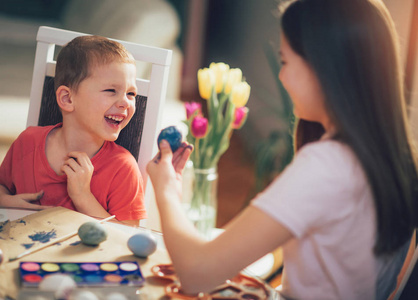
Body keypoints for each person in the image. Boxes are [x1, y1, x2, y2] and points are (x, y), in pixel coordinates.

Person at [146, 0, 418, 298]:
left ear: (323, 68)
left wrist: (167, 189)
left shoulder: (328, 166)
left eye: (285, 61)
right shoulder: (398, 158)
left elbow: (197, 273)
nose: (281, 76)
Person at [0, 35, 146, 226]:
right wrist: (4, 201)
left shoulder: (123, 169)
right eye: (111, 91)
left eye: (131, 93)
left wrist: (83, 197)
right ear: (67, 99)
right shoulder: (28, 142)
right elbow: (0, 187)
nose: (125, 102)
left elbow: (128, 235)